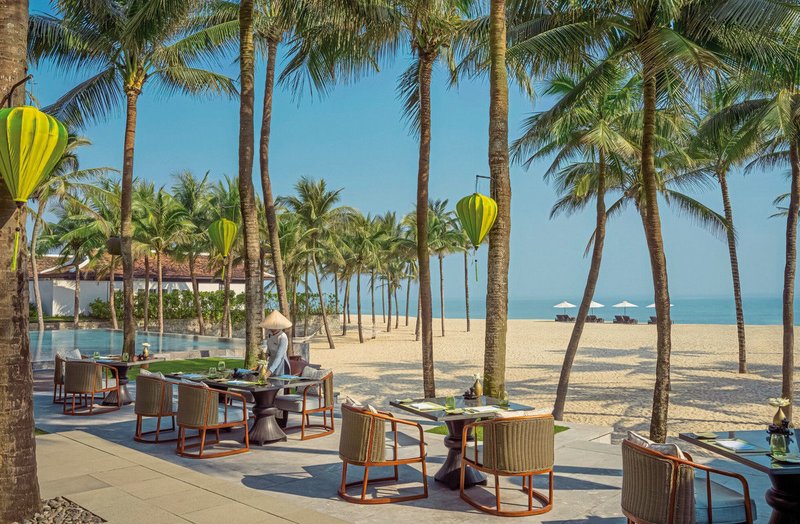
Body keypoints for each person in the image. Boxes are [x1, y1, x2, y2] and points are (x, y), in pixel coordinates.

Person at [260, 310, 292, 377]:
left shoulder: (283, 337)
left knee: (279, 382)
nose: (273, 328)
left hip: (282, 365)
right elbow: (268, 350)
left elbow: (279, 357)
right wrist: (265, 356)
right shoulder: (269, 334)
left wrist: (268, 373)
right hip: (271, 363)